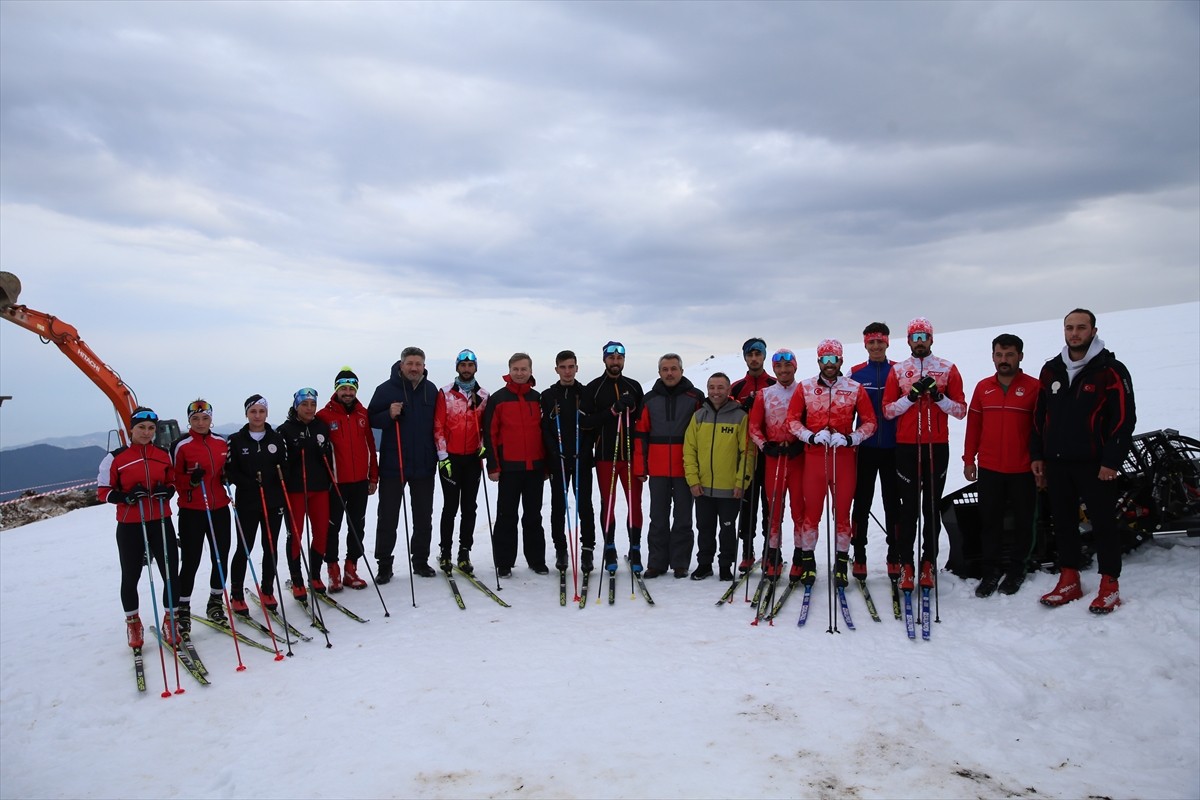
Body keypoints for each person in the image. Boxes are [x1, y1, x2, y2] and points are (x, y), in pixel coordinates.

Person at [1031, 309, 1136, 613]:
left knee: (1103, 523)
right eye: (1069, 328)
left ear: (1093, 330)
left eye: (1080, 328)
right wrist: (1038, 455)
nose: (1074, 333)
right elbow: (1040, 418)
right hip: (1058, 463)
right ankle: (1069, 578)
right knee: (1063, 523)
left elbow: (1124, 420)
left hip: (1096, 465)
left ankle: (1109, 583)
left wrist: (1112, 461)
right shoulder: (1051, 370)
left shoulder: (1111, 370)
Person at [882, 318, 967, 593]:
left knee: (930, 507)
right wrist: (910, 398)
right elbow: (888, 410)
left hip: (936, 445)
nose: (919, 341)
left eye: (924, 336)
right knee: (908, 510)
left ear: (931, 339)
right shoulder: (898, 370)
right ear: (908, 340)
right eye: (914, 336)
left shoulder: (947, 368)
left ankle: (928, 562)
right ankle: (907, 565)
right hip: (906, 446)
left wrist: (939, 397)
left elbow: (960, 410)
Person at [787, 339, 877, 588]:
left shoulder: (855, 388)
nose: (829, 363)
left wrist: (851, 438)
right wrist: (810, 435)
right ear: (818, 361)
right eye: (824, 359)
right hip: (814, 458)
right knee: (811, 514)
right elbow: (792, 421)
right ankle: (808, 563)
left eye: (833, 359)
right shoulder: (804, 387)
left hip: (843, 458)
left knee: (842, 516)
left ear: (841, 360)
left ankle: (840, 564)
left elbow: (870, 422)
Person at [963, 334, 1041, 597]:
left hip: (1023, 469)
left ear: (1020, 355)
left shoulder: (1034, 387)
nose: (1004, 360)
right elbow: (974, 426)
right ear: (993, 356)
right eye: (999, 355)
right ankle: (990, 571)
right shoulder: (983, 387)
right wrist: (968, 459)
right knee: (990, 522)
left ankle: (1018, 569)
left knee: (1023, 522)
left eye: (1009, 355)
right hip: (990, 468)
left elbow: (1042, 430)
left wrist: (1042, 463)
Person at [98, 407, 181, 647]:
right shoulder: (116, 457)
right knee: (131, 575)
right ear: (131, 429)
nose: (146, 433)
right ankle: (133, 624)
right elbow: (103, 491)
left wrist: (170, 490)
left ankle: (171, 619)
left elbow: (172, 481)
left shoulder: (164, 454)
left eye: (151, 428)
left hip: (161, 520)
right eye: (141, 428)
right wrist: (125, 497)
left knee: (170, 573)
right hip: (130, 524)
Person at [367, 347, 439, 582]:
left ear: (424, 365)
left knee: (423, 516)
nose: (414, 368)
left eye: (418, 363)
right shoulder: (386, 390)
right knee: (388, 516)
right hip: (393, 463)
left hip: (424, 464)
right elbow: (371, 419)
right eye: (410, 363)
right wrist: (388, 413)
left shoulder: (431, 390)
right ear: (401, 365)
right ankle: (384, 564)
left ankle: (420, 561)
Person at [634, 353, 704, 578]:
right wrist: (640, 466)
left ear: (681, 371)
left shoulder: (695, 398)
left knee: (683, 517)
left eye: (674, 369)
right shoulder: (649, 399)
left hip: (685, 469)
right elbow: (641, 435)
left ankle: (680, 562)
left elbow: (703, 435)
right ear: (659, 373)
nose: (670, 373)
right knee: (658, 517)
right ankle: (656, 562)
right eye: (665, 369)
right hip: (658, 469)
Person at [580, 341, 646, 574]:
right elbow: (584, 422)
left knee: (634, 503)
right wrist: (612, 411)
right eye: (611, 357)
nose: (615, 362)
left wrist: (633, 409)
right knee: (607, 505)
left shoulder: (635, 386)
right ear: (604, 360)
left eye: (619, 358)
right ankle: (609, 547)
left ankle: (635, 547)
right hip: (606, 455)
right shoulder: (594, 388)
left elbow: (643, 421)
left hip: (630, 456)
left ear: (624, 360)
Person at [482, 353, 548, 576]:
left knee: (533, 516)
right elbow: (490, 435)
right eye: (516, 369)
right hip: (509, 468)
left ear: (531, 371)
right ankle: (504, 562)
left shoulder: (538, 398)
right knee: (506, 516)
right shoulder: (498, 399)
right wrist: (493, 466)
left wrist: (546, 466)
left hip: (534, 468)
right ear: (509, 371)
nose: (520, 373)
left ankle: (536, 560)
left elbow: (545, 434)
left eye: (524, 369)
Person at [683, 373, 754, 581]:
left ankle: (725, 565)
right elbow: (689, 450)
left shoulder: (740, 416)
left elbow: (748, 452)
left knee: (727, 529)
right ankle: (704, 564)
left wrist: (742, 482)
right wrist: (693, 480)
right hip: (703, 487)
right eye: (712, 387)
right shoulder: (699, 417)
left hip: (730, 488)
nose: (716, 391)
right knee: (704, 528)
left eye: (720, 387)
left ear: (729, 390)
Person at [170, 399, 232, 630]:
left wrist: (226, 476)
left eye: (205, 418)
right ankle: (182, 607)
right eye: (195, 419)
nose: (200, 422)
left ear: (211, 419)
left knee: (221, 556)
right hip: (192, 510)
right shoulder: (181, 445)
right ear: (189, 420)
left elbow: (224, 469)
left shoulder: (220, 442)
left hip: (219, 509)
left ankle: (215, 602)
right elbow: (173, 478)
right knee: (191, 560)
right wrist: (191, 481)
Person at [225, 395, 289, 614]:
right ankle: (236, 594)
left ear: (267, 413)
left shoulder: (276, 438)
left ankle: (268, 588)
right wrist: (248, 482)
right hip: (248, 501)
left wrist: (277, 478)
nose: (257, 416)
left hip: (273, 500)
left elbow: (285, 464)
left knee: (270, 546)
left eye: (261, 411)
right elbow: (230, 470)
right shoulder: (236, 439)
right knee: (244, 548)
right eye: (253, 411)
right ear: (246, 414)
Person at [317, 367, 379, 591]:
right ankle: (332, 569)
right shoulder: (324, 416)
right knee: (332, 526)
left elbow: (371, 446)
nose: (347, 392)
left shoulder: (363, 414)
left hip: (360, 482)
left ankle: (351, 568)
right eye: (343, 388)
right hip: (335, 483)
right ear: (336, 390)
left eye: (351, 388)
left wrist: (373, 476)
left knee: (357, 526)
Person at [848, 322, 900, 581]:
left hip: (894, 449)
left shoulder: (899, 371)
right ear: (865, 344)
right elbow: (845, 410)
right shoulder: (856, 373)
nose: (876, 346)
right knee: (862, 503)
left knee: (894, 504)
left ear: (887, 342)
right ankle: (859, 555)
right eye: (871, 342)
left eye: (880, 341)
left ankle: (894, 556)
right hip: (865, 449)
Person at [747, 348, 805, 579]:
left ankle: (801, 555)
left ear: (795, 366)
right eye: (779, 366)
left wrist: (800, 444)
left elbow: (810, 422)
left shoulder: (804, 390)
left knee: (799, 510)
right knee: (774, 511)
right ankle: (773, 554)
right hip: (774, 458)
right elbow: (754, 427)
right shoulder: (765, 394)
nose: (783, 370)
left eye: (787, 365)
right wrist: (765, 446)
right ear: (774, 368)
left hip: (797, 458)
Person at [540, 350, 598, 573]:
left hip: (581, 458)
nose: (567, 371)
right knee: (558, 506)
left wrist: (585, 451)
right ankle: (561, 549)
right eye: (563, 367)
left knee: (585, 504)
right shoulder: (548, 395)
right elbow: (545, 428)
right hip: (559, 459)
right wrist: (554, 453)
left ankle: (587, 549)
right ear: (556, 369)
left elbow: (591, 426)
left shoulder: (585, 393)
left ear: (577, 368)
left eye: (571, 366)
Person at [434, 349, 488, 574]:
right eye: (463, 365)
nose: (467, 369)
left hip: (472, 459)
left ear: (475, 368)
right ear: (457, 367)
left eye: (470, 365)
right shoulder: (445, 393)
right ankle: (445, 552)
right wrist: (443, 456)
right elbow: (438, 425)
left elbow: (486, 426)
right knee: (450, 507)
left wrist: (483, 446)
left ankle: (464, 553)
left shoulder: (483, 395)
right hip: (451, 459)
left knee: (470, 508)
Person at [277, 388, 335, 598]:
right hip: (295, 490)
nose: (309, 408)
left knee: (321, 532)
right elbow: (281, 463)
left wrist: (323, 454)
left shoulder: (321, 427)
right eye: (305, 404)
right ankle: (297, 579)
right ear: (296, 406)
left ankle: (315, 575)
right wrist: (295, 454)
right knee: (296, 535)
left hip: (319, 488)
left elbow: (329, 455)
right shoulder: (285, 430)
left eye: (312, 404)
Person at [730, 337, 776, 570]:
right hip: (746, 454)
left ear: (764, 356)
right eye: (750, 355)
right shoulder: (737, 387)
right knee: (747, 505)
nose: (754, 358)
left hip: (770, 452)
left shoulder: (775, 383)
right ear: (745, 357)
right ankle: (747, 551)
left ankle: (771, 551)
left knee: (770, 504)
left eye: (758, 354)